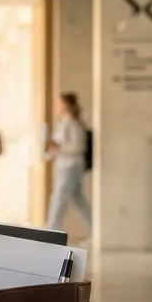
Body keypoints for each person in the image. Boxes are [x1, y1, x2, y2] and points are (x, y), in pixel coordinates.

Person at [45, 92, 92, 232]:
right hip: (64, 165)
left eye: (59, 103)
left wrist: (58, 149)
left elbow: (78, 148)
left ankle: (51, 231)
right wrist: (51, 153)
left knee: (59, 199)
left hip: (71, 166)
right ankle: (95, 230)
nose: (56, 107)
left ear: (66, 105)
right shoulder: (63, 124)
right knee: (78, 199)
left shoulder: (74, 125)